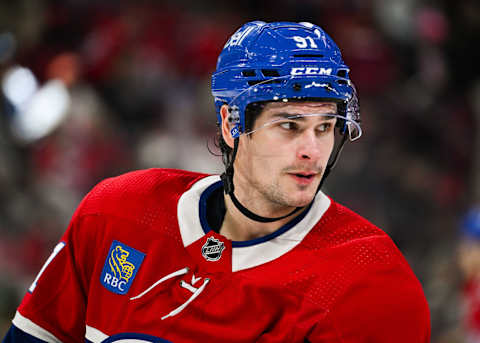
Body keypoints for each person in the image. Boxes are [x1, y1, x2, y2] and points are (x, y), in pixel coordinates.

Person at [3, 21, 430, 343]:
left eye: (325, 127)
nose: (312, 151)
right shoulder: (116, 211)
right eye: (290, 125)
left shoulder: (370, 283)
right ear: (231, 124)